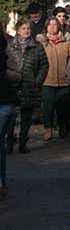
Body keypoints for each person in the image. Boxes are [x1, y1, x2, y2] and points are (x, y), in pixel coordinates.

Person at [6, 19, 48, 154]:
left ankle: (23, 142)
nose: (26, 31)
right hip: (12, 86)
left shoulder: (37, 46)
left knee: (26, 117)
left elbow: (44, 65)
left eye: (28, 29)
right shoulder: (9, 46)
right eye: (23, 28)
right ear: (18, 30)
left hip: (30, 86)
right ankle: (10, 142)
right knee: (11, 116)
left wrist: (38, 81)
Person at [38, 17, 70, 140]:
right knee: (48, 107)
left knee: (63, 106)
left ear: (59, 26)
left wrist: (69, 72)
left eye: (55, 25)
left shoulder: (66, 41)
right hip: (47, 80)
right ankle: (48, 129)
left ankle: (62, 128)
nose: (53, 27)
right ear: (46, 27)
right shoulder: (42, 42)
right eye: (50, 25)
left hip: (64, 80)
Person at [0, 33, 20, 199]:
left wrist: (4, 75)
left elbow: (16, 73)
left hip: (4, 100)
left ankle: (1, 183)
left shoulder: (5, 49)